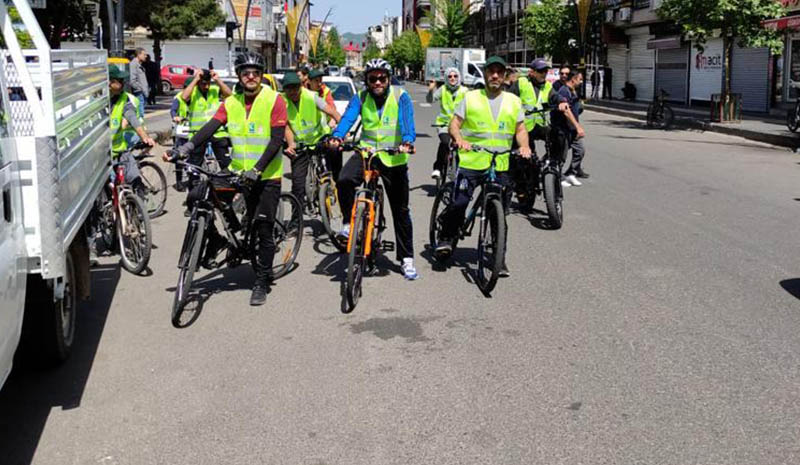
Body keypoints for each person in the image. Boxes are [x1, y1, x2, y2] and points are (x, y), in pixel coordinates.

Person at [166, 52, 289, 306]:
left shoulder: (274, 100)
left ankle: (262, 280)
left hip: (265, 175)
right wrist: (186, 148)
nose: (251, 77)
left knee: (263, 229)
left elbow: (277, 140)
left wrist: (257, 169)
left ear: (261, 74)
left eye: (255, 72)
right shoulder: (231, 102)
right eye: (246, 73)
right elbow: (210, 126)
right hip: (237, 170)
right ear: (240, 76)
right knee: (197, 196)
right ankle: (219, 239)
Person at [436, 56, 532, 277]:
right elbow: (454, 124)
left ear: (505, 76)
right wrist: (459, 139)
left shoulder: (513, 101)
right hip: (472, 161)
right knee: (459, 203)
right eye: (491, 72)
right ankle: (447, 238)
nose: (495, 76)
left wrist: (524, 147)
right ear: (486, 74)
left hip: (499, 164)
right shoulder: (471, 98)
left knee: (499, 213)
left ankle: (498, 256)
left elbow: (520, 130)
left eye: (499, 72)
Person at [327, 58, 419, 281]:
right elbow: (349, 117)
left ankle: (406, 259)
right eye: (373, 78)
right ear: (367, 81)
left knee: (400, 210)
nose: (377, 82)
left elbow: (407, 122)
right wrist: (338, 136)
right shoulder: (361, 97)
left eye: (381, 78)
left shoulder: (401, 96)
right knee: (345, 180)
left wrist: (407, 141)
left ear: (388, 79)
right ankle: (350, 224)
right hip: (367, 153)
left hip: (393, 157)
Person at [282, 71, 342, 209]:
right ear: (284, 89)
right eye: (289, 88)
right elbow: (286, 126)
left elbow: (332, 112)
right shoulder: (282, 101)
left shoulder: (311, 97)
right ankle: (295, 222)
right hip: (301, 144)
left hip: (320, 138)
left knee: (333, 155)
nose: (293, 92)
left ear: (301, 86)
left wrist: (342, 131)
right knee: (297, 185)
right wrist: (291, 144)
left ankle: (329, 183)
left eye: (295, 87)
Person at [507, 58, 557, 208]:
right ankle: (521, 188)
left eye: (546, 71)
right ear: (532, 72)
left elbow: (555, 96)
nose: (544, 74)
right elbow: (509, 99)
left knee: (560, 136)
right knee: (523, 159)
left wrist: (561, 101)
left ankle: (552, 162)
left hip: (540, 126)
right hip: (523, 128)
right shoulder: (521, 83)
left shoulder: (548, 86)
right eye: (541, 71)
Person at [180, 67, 234, 185]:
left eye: (208, 83)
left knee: (226, 163)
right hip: (198, 134)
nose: (206, 86)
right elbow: (184, 97)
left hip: (217, 132)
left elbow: (230, 96)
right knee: (195, 166)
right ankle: (194, 192)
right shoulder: (193, 92)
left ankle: (226, 188)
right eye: (203, 84)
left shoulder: (215, 89)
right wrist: (195, 79)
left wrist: (217, 80)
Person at [108, 67, 155, 187]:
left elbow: (133, 119)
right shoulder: (96, 101)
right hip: (102, 155)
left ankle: (140, 201)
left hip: (120, 149)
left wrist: (145, 137)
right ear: (109, 83)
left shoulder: (125, 98)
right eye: (120, 81)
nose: (123, 84)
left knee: (134, 177)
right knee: (111, 185)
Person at [427, 67, 467, 181]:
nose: (452, 78)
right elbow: (430, 100)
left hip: (460, 126)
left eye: (455, 76)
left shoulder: (465, 91)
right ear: (446, 78)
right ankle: (438, 168)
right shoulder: (443, 89)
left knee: (462, 147)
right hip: (443, 125)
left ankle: (462, 172)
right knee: (445, 142)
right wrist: (431, 90)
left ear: (459, 77)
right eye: (450, 76)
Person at [549, 70, 587, 187]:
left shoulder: (574, 91)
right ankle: (556, 177)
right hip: (563, 129)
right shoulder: (564, 91)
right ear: (573, 79)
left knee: (580, 150)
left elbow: (576, 108)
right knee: (560, 155)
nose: (581, 82)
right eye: (579, 79)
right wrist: (577, 126)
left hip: (572, 129)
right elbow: (566, 111)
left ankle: (571, 173)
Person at [170, 77, 192, 191]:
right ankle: (179, 182)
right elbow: (173, 110)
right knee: (179, 156)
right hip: (181, 132)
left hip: (193, 131)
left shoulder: (196, 97)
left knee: (193, 157)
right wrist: (175, 117)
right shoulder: (178, 98)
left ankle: (192, 180)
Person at [129, 48, 149, 117]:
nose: (146, 56)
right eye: (144, 54)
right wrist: (140, 89)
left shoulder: (139, 65)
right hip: (139, 94)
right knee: (140, 115)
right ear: (138, 55)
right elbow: (132, 80)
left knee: (141, 114)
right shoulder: (133, 65)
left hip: (142, 93)